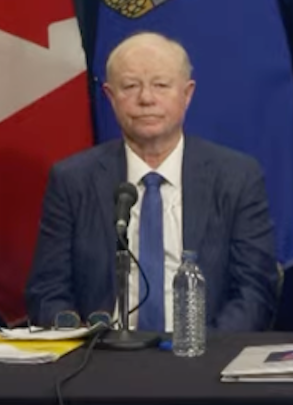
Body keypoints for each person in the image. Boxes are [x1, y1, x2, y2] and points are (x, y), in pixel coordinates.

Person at [26, 31, 279, 332]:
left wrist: (200, 351)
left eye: (161, 85)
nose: (146, 99)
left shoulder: (236, 177)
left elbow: (254, 293)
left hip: (203, 360)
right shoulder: (73, 180)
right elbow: (48, 291)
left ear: (187, 94)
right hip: (102, 360)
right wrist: (86, 343)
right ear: (110, 96)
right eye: (131, 86)